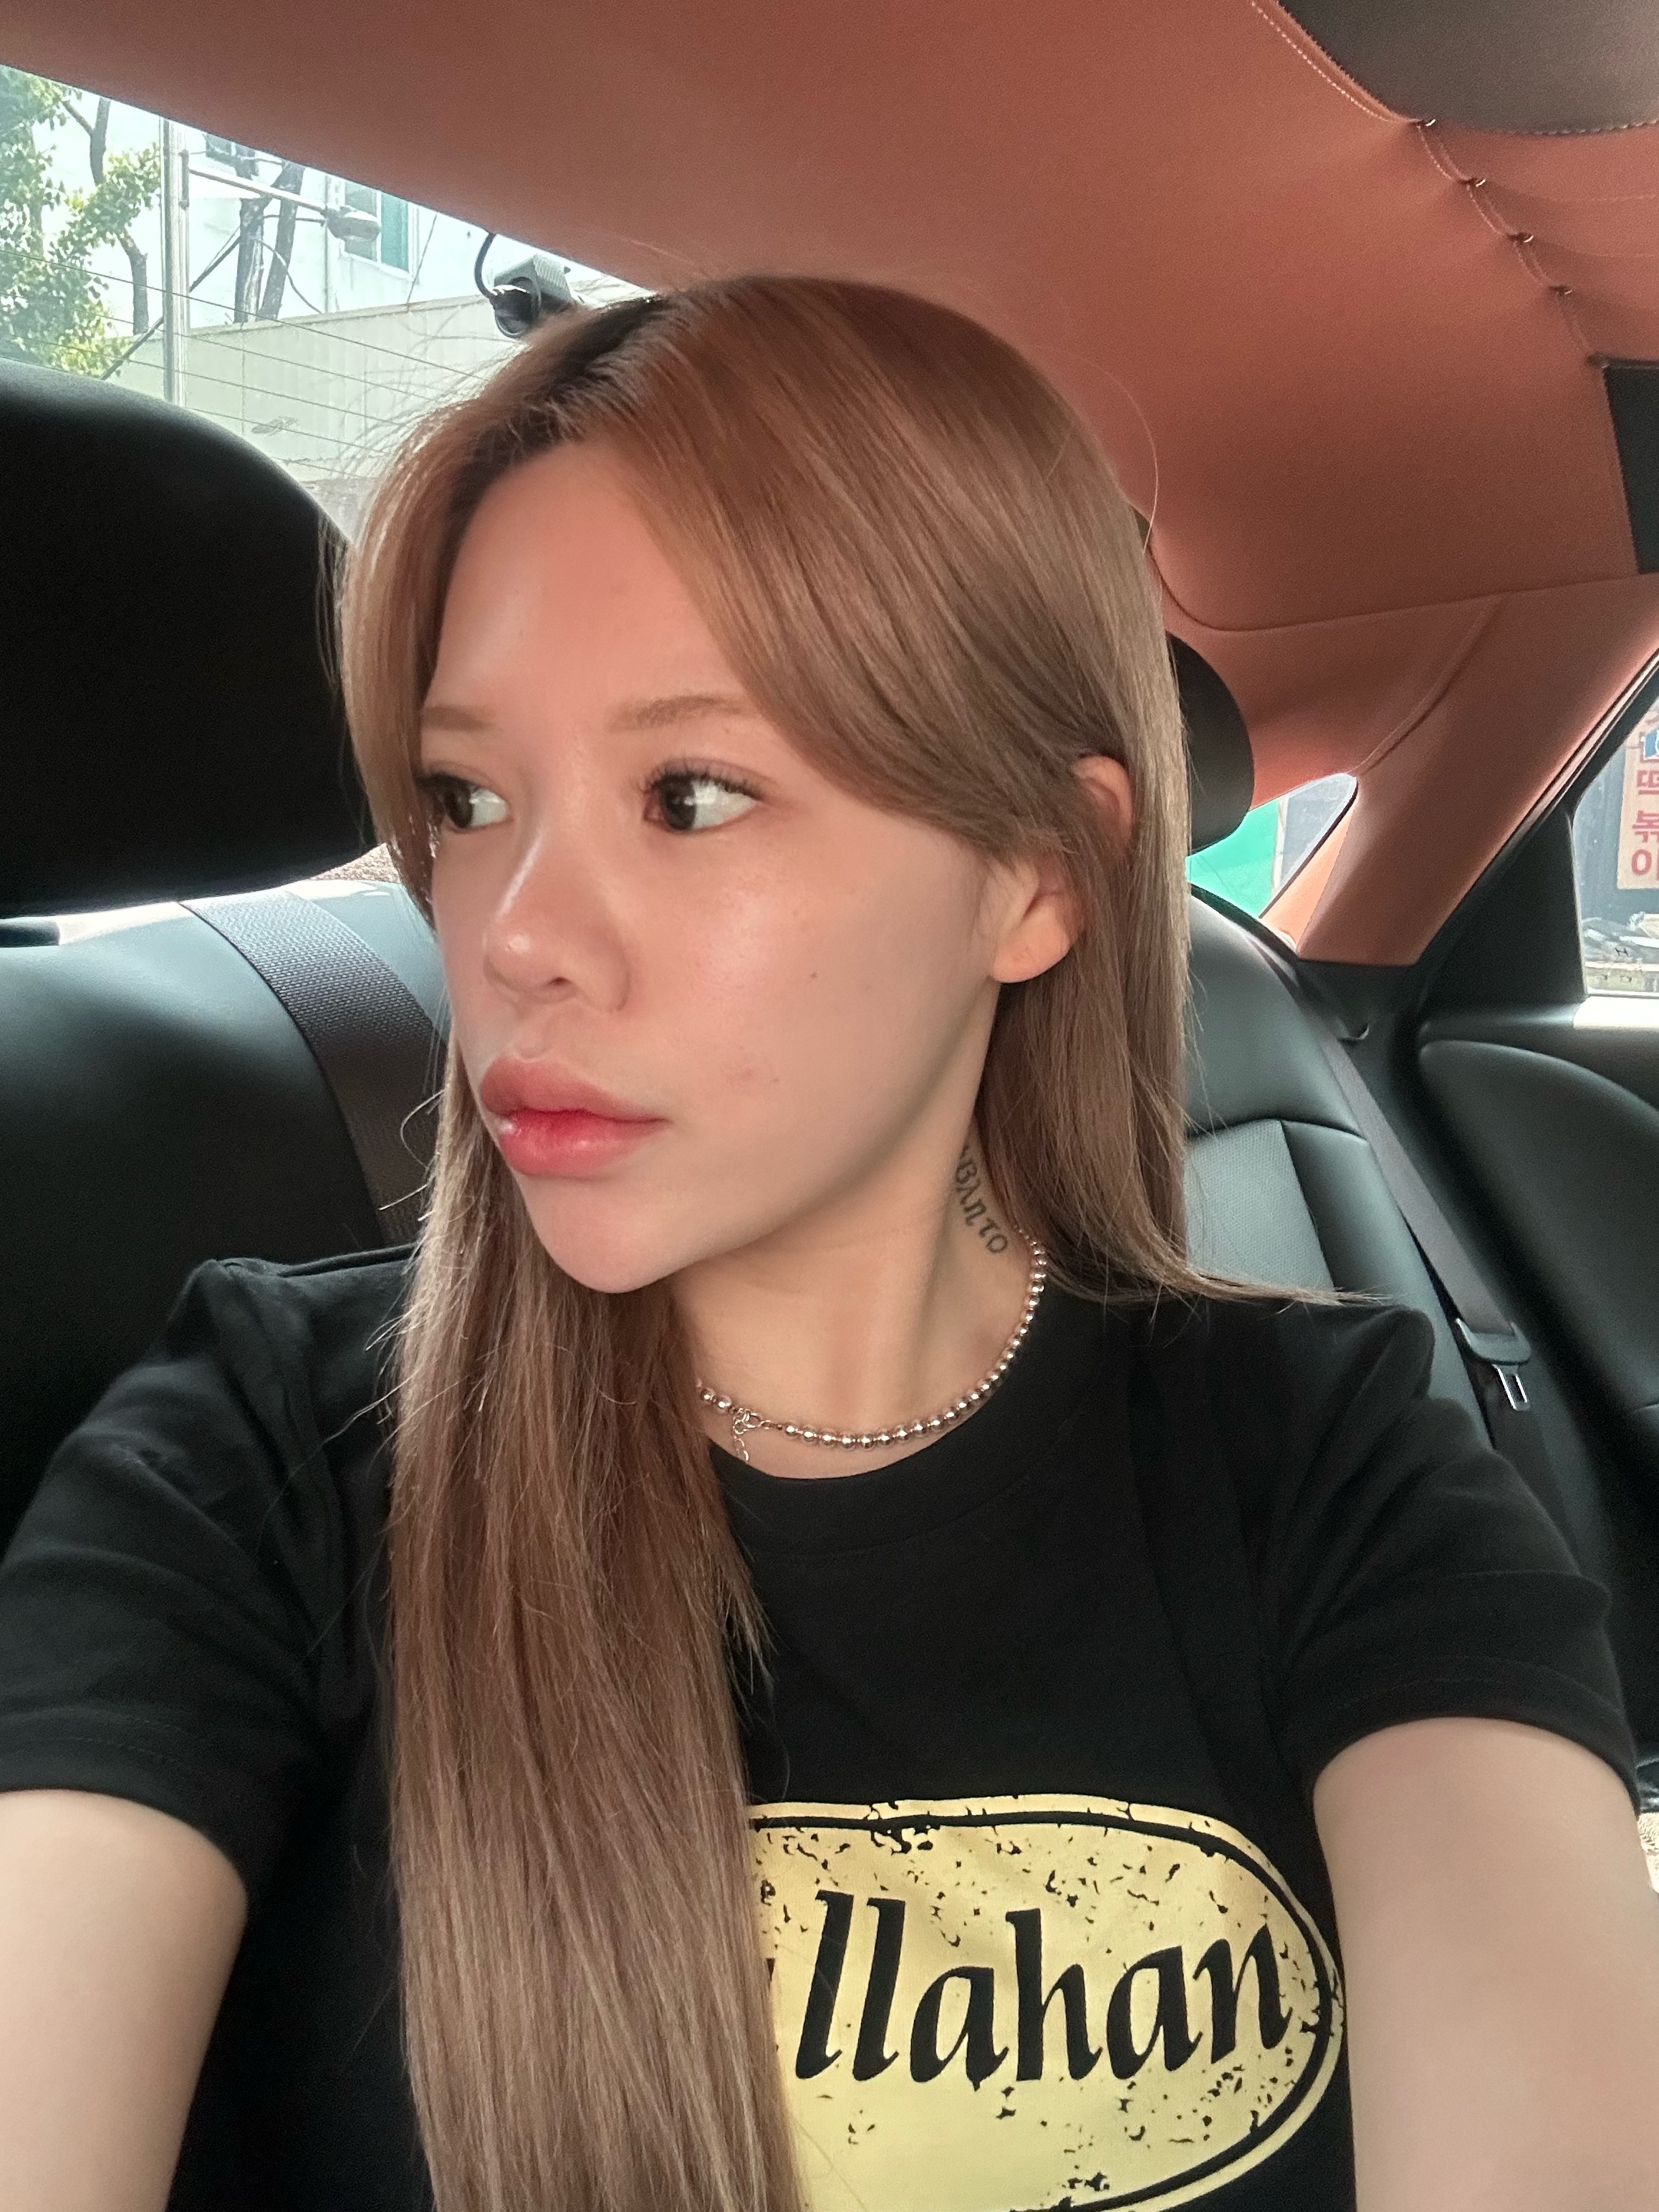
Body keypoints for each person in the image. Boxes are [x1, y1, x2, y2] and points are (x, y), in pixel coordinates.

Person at [0, 276, 1652, 2212]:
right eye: (466, 799)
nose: (513, 934)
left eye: (690, 796)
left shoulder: (1317, 1449)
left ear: (1035, 875)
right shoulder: (256, 1465)